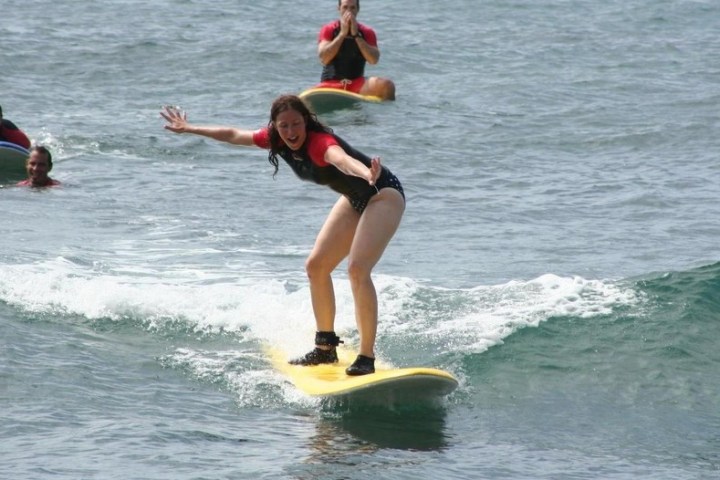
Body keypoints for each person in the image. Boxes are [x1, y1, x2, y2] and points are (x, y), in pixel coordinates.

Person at [161, 96, 405, 375]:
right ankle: (325, 349)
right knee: (316, 266)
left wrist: (366, 172)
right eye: (284, 126)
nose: (291, 132)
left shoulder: (319, 143)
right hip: (354, 198)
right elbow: (233, 134)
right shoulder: (275, 139)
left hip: (381, 194)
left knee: (357, 269)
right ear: (275, 127)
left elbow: (341, 160)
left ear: (307, 122)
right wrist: (190, 128)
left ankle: (366, 357)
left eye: (296, 124)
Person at [315, 0, 396, 101]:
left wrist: (356, 35)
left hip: (357, 84)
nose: (349, 12)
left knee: (387, 85)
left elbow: (373, 60)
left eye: (352, 8)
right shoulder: (329, 29)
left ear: (358, 10)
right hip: (330, 84)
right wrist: (342, 34)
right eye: (345, 7)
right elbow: (324, 58)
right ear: (339, 9)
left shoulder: (367, 32)